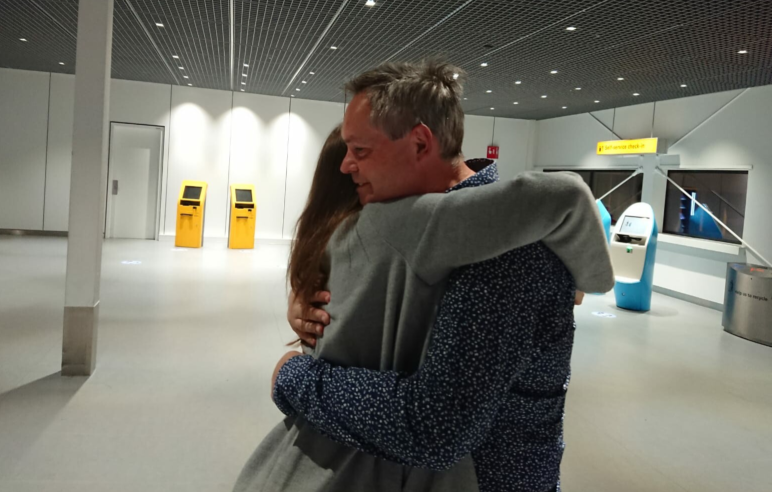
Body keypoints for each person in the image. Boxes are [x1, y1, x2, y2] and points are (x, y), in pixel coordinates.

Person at [235, 60, 614, 492]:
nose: (347, 166)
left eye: (361, 151)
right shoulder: (400, 221)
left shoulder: (505, 249)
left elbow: (433, 427)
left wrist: (294, 376)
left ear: (419, 143)